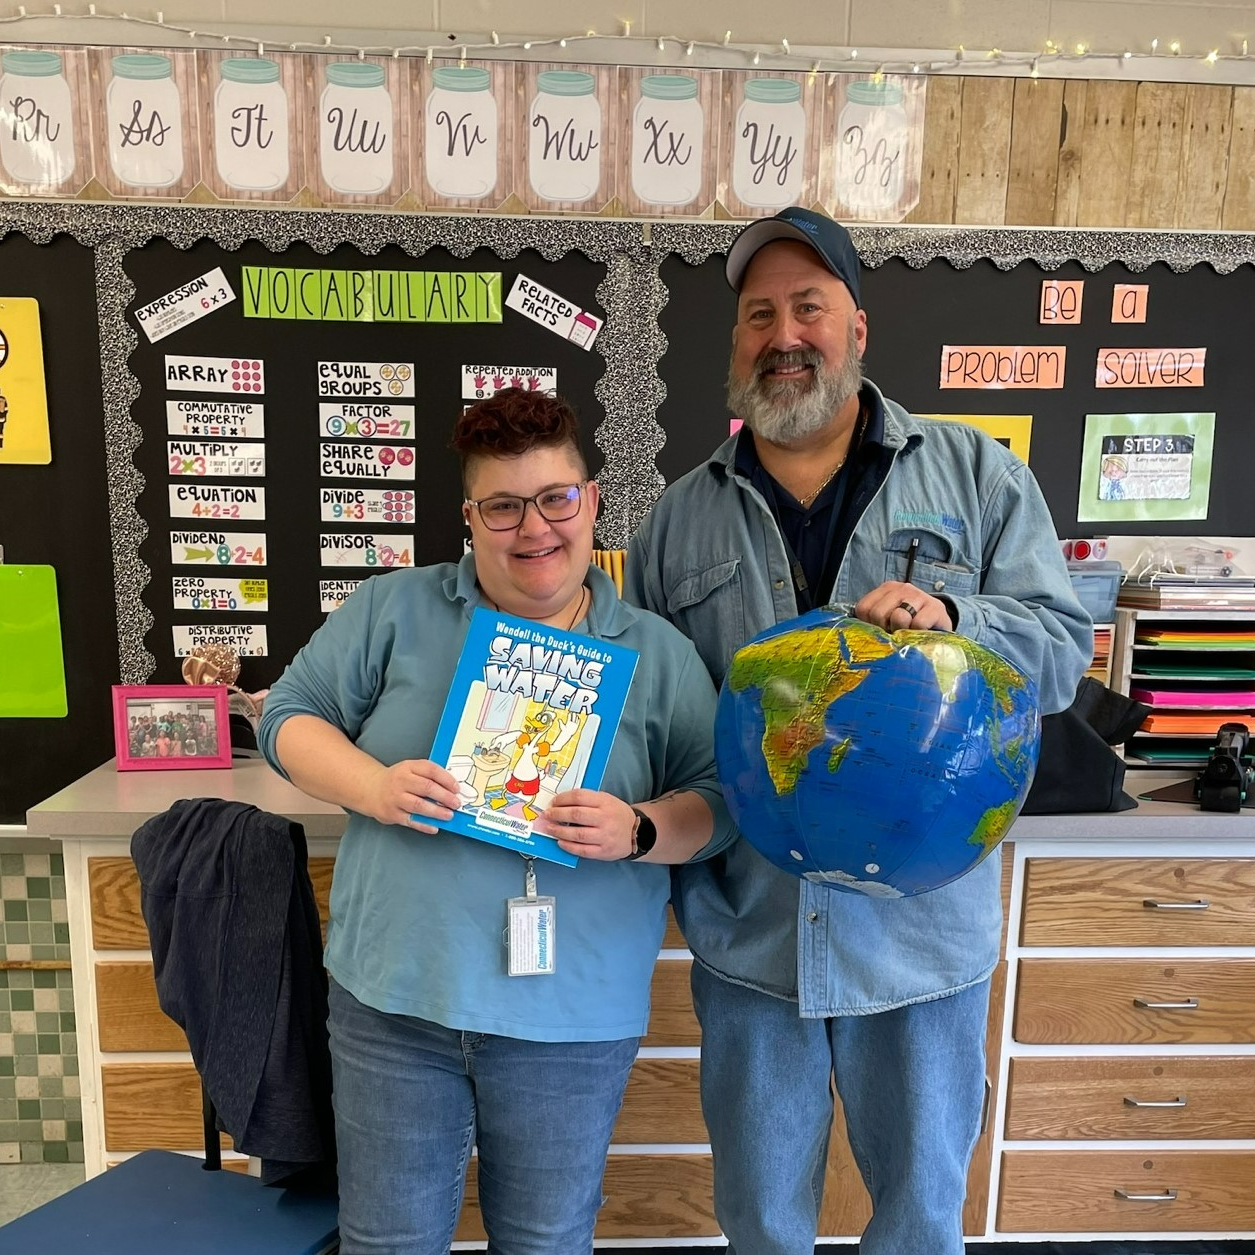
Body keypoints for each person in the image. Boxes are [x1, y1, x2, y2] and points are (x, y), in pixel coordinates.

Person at [625, 207, 1093, 1255]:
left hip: (920, 945)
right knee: (757, 1222)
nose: (783, 334)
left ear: (858, 327)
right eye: (758, 315)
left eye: (809, 307)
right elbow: (656, 716)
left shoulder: (976, 477)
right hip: (752, 940)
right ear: (736, 341)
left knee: (923, 1219)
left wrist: (959, 620)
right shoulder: (675, 520)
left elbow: (1062, 647)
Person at [258, 387, 735, 1255]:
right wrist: (371, 786)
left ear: (590, 500)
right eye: (504, 506)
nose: (535, 529)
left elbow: (718, 801)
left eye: (555, 498)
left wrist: (638, 828)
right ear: (469, 517)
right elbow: (287, 715)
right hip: (395, 1002)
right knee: (387, 1242)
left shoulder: (655, 651)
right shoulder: (395, 610)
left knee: (546, 1241)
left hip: (572, 1017)